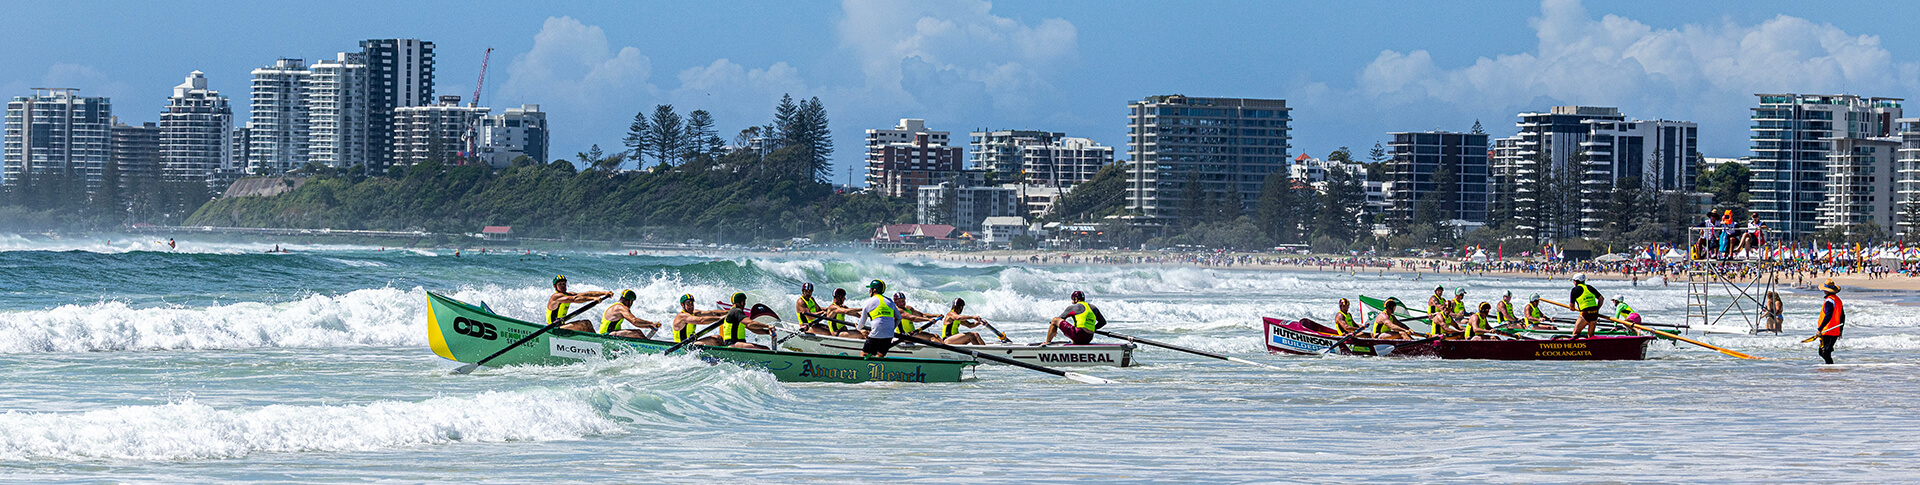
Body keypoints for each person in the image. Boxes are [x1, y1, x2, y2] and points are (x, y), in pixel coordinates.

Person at [548, 275, 612, 332]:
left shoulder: (568, 294)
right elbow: (575, 299)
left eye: (564, 284)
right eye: (560, 284)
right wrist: (593, 299)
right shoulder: (556, 296)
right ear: (555, 286)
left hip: (561, 326)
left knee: (588, 323)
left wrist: (604, 293)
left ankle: (596, 340)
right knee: (583, 325)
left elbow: (587, 294)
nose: (563, 286)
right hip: (552, 328)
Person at [858, 280, 902, 357]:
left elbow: (861, 323)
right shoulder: (890, 301)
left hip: (876, 333)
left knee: (864, 354)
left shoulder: (868, 301)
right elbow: (899, 318)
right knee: (880, 355)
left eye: (870, 289)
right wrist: (891, 328)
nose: (869, 291)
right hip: (889, 334)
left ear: (874, 290)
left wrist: (858, 328)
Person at [1816, 279, 1845, 364]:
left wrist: (1820, 329)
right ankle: (1830, 368)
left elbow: (1828, 315)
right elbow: (1842, 316)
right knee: (1824, 352)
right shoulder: (1838, 300)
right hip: (1835, 330)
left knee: (1824, 352)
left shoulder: (1829, 301)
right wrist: (1840, 329)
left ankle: (1830, 368)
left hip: (1827, 329)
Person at [1569, 273, 1604, 339]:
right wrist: (1597, 309)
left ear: (1575, 281)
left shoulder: (1574, 290)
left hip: (1585, 313)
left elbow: (1571, 307)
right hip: (1595, 313)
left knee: (1575, 333)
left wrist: (1573, 309)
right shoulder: (1590, 288)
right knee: (1591, 335)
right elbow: (1601, 298)